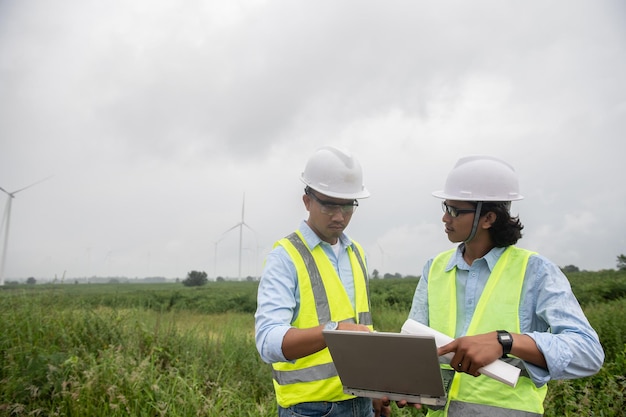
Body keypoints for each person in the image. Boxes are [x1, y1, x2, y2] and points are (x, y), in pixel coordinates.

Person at [405, 155, 604, 416]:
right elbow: (414, 345)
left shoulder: (536, 271)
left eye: (454, 211)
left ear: (488, 218)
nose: (445, 218)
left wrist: (506, 342)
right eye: (445, 207)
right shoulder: (434, 268)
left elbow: (588, 353)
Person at [255, 146, 391, 417]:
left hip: (361, 402)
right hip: (310, 410)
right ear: (307, 201)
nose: (340, 216)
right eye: (329, 205)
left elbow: (362, 332)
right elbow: (267, 342)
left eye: (348, 205)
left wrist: (374, 388)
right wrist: (334, 330)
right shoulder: (285, 257)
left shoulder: (357, 253)